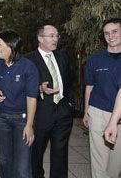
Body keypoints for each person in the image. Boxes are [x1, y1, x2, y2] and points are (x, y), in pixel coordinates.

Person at [25, 25, 74, 178]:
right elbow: (22, 87)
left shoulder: (63, 57)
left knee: (60, 154)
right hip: (40, 114)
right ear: (40, 38)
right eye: (51, 36)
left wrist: (69, 105)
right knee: (36, 153)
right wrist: (39, 89)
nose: (55, 39)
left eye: (57, 36)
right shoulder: (28, 60)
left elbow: (69, 83)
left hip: (63, 113)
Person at [0, 30, 39, 178]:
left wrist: (29, 125)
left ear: (11, 46)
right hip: (0, 119)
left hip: (21, 120)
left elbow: (32, 98)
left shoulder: (28, 67)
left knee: (22, 167)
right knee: (4, 162)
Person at [83, 18, 121, 178]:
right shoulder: (95, 59)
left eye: (115, 31)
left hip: (119, 117)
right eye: (106, 33)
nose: (111, 36)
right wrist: (86, 111)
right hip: (98, 112)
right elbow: (89, 87)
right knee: (99, 162)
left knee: (115, 165)